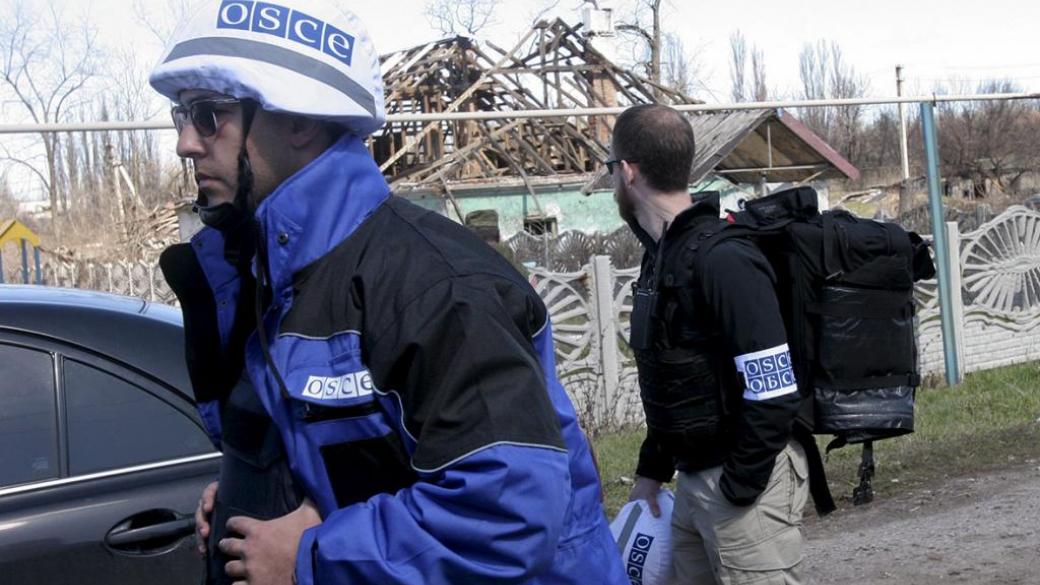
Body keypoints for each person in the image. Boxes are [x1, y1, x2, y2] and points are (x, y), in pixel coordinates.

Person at [149, 2, 628, 584]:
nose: (186, 143)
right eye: (182, 115)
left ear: (299, 120)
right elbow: (350, 453)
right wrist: (254, 494)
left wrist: (310, 557)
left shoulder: (434, 286)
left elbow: (507, 511)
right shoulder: (271, 278)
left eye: (209, 115)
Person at [613, 104, 809, 584]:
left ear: (628, 171)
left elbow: (774, 389)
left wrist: (737, 488)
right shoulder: (663, 256)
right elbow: (674, 377)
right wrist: (651, 473)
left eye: (610, 168)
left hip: (742, 483)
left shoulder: (724, 258)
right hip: (693, 481)